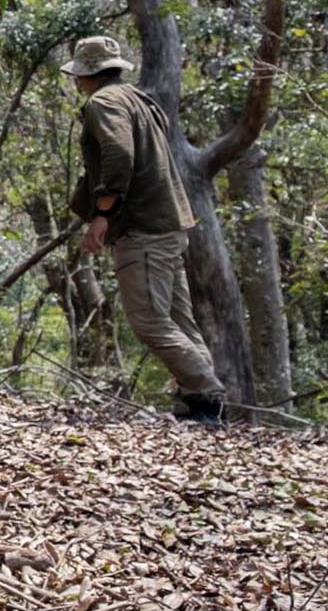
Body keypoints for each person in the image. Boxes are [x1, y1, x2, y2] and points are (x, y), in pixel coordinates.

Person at [62, 35, 227, 422]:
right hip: (169, 224)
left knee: (149, 321)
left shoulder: (104, 103)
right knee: (178, 319)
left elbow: (119, 154)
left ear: (87, 75)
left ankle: (207, 392)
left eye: (78, 76)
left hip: (144, 228)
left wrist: (103, 212)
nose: (77, 82)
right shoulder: (138, 98)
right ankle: (200, 408)